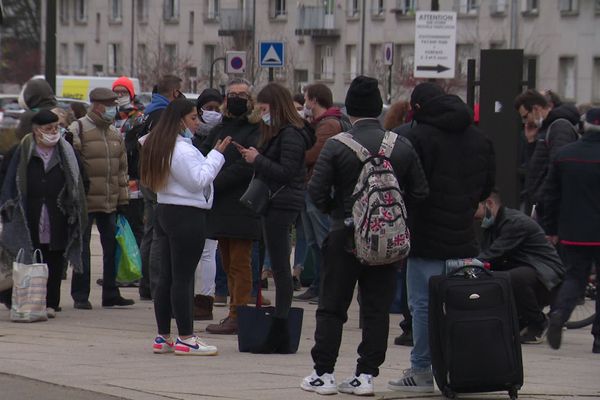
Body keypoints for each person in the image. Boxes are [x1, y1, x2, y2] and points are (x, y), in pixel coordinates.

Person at [301, 76, 428, 396]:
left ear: (350, 108)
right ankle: (365, 376)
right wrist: (392, 217)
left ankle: (324, 374)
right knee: (376, 308)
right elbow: (420, 191)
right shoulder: (400, 145)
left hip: (343, 234)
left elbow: (315, 192)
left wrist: (339, 212)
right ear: (378, 108)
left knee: (332, 306)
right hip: (385, 240)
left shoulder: (337, 145)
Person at [388, 82, 495, 393]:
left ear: (418, 108)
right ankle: (462, 368)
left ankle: (421, 370)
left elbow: (402, 183)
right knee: (461, 305)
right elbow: (486, 188)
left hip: (424, 237)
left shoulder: (414, 137)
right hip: (464, 237)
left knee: (422, 305)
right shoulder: (480, 138)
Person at [140, 98, 230, 355]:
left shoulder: (157, 144)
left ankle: (163, 336)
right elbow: (198, 180)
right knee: (182, 278)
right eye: (193, 118)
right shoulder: (180, 149)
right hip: (187, 214)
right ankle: (186, 338)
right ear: (180, 120)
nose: (197, 123)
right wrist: (216, 155)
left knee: (166, 277)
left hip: (166, 210)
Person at [239, 82, 314, 353]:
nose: (261, 112)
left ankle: (280, 328)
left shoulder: (291, 134)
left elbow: (287, 171)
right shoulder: (281, 132)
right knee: (279, 264)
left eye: (265, 107)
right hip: (277, 202)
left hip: (281, 203)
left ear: (276, 106)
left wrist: (256, 159)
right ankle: (278, 328)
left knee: (281, 266)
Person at [0, 110, 87, 317]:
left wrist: (73, 204)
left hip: (57, 214)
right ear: (36, 130)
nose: (53, 132)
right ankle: (22, 299)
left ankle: (51, 302)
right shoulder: (20, 152)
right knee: (25, 257)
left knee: (54, 258)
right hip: (28, 214)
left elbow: (80, 181)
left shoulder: (67, 153)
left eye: (56, 128)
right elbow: (6, 180)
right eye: (48, 129)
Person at [199, 79, 262, 334]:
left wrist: (215, 179)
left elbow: (248, 165)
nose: (236, 99)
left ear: (251, 101)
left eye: (242, 95)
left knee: (239, 261)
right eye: (232, 94)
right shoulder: (220, 128)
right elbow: (204, 154)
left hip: (242, 203)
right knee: (227, 261)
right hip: (220, 205)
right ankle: (234, 311)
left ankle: (239, 313)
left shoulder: (256, 130)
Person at [69, 87, 133, 310]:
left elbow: (122, 171)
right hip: (85, 201)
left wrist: (123, 200)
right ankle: (80, 294)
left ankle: (111, 292)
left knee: (112, 248)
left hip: (109, 200)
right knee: (83, 248)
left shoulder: (115, 134)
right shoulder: (78, 129)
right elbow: (71, 167)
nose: (113, 110)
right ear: (97, 105)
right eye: (110, 105)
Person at [543, 107, 600, 354]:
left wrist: (551, 228)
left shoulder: (565, 155)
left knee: (575, 277)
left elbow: (550, 195)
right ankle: (599, 339)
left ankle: (559, 314)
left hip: (573, 230)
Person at [475, 189, 564, 344]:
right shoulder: (494, 225)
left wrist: (470, 263)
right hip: (532, 272)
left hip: (548, 277)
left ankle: (539, 322)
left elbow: (495, 252)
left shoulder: (514, 222)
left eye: (478, 213)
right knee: (497, 276)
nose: (477, 219)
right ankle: (522, 321)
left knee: (512, 278)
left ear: (489, 203)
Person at [295, 83, 349, 302]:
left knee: (322, 240)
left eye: (306, 99)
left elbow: (311, 155)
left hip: (317, 187)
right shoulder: (320, 123)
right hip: (311, 186)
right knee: (313, 241)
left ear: (314, 100)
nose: (305, 104)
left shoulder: (328, 125)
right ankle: (318, 284)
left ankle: (326, 287)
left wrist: (294, 150)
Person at [137, 75, 183, 300]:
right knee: (157, 234)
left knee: (150, 232)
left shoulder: (148, 110)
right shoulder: (163, 114)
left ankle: (146, 284)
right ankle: (155, 286)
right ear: (174, 92)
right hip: (156, 176)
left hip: (146, 174)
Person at [514, 89, 579, 218]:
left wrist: (543, 198)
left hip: (550, 207)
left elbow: (557, 169)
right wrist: (531, 142)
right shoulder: (545, 129)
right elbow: (536, 165)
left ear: (536, 109)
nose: (526, 122)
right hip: (544, 204)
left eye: (526, 116)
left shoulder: (559, 127)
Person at [189, 88, 225, 320]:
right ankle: (192, 297)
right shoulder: (193, 136)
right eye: (207, 109)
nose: (212, 113)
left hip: (215, 197)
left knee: (208, 251)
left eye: (216, 108)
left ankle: (205, 298)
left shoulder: (223, 134)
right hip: (196, 198)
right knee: (195, 252)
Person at [112, 76, 145, 289]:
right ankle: (121, 268)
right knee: (119, 228)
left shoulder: (139, 118)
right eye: (116, 92)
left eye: (123, 91)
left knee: (135, 225)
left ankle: (136, 269)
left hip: (134, 181)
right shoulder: (112, 116)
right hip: (116, 180)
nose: (119, 96)